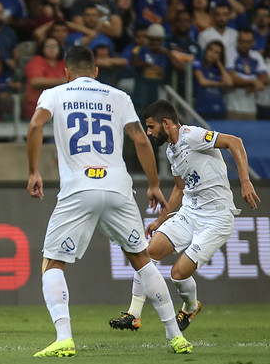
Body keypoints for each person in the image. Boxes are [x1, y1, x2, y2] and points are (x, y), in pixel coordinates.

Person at [26, 45, 192, 357]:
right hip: (118, 187)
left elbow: (35, 125)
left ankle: (64, 338)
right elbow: (141, 139)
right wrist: (154, 185)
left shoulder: (54, 93)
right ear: (96, 71)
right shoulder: (118, 96)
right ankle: (175, 336)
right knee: (142, 260)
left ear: (66, 71)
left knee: (52, 262)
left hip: (79, 187)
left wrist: (34, 171)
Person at [109, 99, 260, 333]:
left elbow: (234, 141)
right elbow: (180, 188)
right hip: (190, 212)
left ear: (166, 123)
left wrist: (245, 181)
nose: (148, 132)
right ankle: (134, 315)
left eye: (151, 127)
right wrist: (161, 219)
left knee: (178, 274)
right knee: (148, 253)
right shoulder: (171, 150)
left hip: (217, 218)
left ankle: (190, 307)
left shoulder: (193, 135)